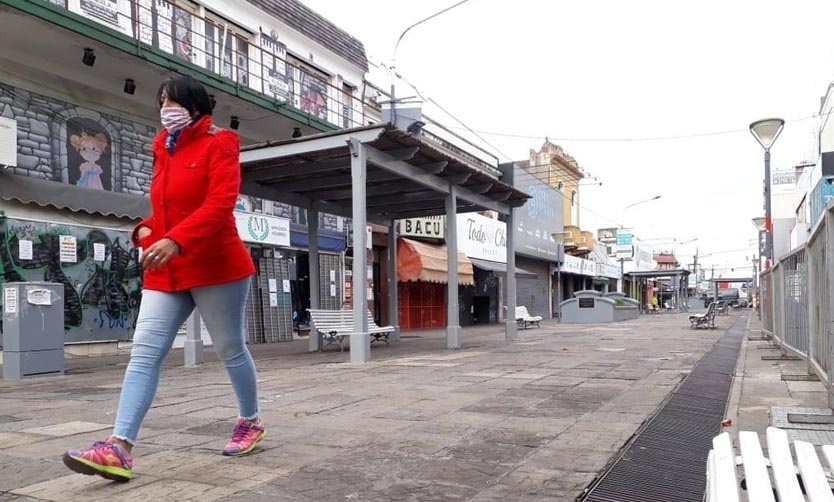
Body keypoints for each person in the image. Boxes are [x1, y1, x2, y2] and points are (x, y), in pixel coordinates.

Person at [62, 75, 265, 482]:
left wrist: (175, 239)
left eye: (172, 101)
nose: (165, 109)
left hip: (216, 264)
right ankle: (118, 448)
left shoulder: (219, 142)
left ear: (193, 106)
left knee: (230, 348)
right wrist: (149, 228)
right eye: (161, 102)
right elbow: (168, 209)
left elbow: (219, 203)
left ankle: (250, 420)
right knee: (144, 352)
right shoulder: (163, 147)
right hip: (167, 269)